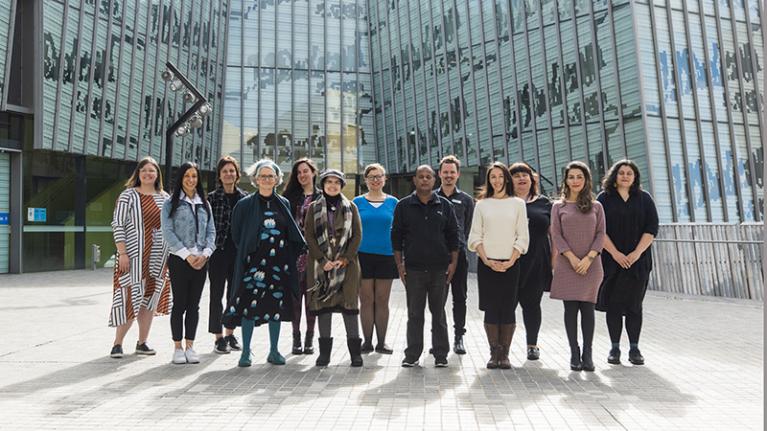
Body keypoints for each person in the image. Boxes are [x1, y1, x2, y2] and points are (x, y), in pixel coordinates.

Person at [222, 159, 305, 367]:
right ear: (256, 179)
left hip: (277, 264)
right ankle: (246, 352)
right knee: (249, 308)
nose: (267, 179)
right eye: (263, 176)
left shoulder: (283, 203)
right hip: (253, 265)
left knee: (275, 307)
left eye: (270, 176)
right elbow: (237, 234)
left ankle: (274, 351)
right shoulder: (244, 204)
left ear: (277, 179)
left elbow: (289, 232)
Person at [392, 165, 459, 368]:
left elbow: (453, 237)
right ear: (414, 180)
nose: (424, 180)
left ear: (434, 180)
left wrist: (453, 263)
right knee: (414, 314)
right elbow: (396, 238)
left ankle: (440, 354)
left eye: (428, 176)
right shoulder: (403, 206)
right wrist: (399, 264)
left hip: (440, 269)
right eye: (420, 177)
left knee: (438, 313)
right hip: (413, 269)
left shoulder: (445, 206)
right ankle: (412, 354)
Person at [596, 160, 658, 366]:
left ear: (635, 177)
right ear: (614, 176)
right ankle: (614, 348)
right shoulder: (604, 199)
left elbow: (651, 229)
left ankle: (634, 348)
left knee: (634, 306)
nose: (625, 176)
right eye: (621, 173)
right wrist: (615, 254)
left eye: (629, 173)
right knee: (613, 306)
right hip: (612, 261)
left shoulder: (644, 198)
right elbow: (599, 230)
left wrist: (636, 253)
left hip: (638, 262)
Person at [467, 162, 529, 369]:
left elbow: (522, 236)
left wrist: (511, 260)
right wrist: (486, 260)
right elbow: (475, 236)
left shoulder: (518, 203)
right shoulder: (482, 204)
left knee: (508, 308)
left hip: (511, 264)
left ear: (506, 179)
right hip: (488, 264)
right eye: (493, 177)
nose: (497, 180)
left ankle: (505, 354)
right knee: (491, 309)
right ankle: (494, 353)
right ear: (488, 180)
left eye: (500, 176)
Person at [109, 157, 172, 358]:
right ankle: (117, 344)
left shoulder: (165, 198)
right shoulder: (128, 195)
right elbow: (117, 224)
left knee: (149, 299)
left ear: (157, 175)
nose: (147, 174)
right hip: (133, 257)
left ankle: (142, 342)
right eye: (144, 170)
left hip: (158, 257)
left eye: (151, 171)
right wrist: (122, 253)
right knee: (129, 297)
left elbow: (170, 228)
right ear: (138, 174)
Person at [549, 161, 606, 372]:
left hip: (591, 265)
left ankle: (588, 354)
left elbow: (601, 233)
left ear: (586, 180)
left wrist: (589, 258)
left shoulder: (597, 206)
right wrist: (572, 258)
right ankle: (574, 353)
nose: (575, 181)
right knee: (570, 310)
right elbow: (556, 234)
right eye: (571, 177)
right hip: (567, 264)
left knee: (588, 310)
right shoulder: (558, 207)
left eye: (579, 177)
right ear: (566, 180)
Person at [304, 169, 364, 367]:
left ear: (341, 185)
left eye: (336, 182)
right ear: (323, 185)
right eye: (328, 182)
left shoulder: (351, 207)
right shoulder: (313, 207)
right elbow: (309, 236)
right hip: (321, 267)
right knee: (323, 307)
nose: (332, 185)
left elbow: (357, 236)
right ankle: (324, 355)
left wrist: (345, 258)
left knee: (350, 307)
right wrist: (323, 260)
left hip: (347, 267)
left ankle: (355, 354)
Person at [161, 162, 217, 365]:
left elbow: (211, 232)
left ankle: (190, 346)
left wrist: (206, 254)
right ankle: (177, 347)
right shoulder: (171, 203)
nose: (191, 180)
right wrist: (187, 255)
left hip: (202, 261)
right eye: (187, 176)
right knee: (179, 304)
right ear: (181, 179)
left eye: (194, 176)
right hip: (179, 260)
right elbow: (167, 232)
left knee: (194, 306)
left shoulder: (205, 203)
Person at [353, 163, 399, 355]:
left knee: (381, 300)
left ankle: (382, 342)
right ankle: (367, 342)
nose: (375, 180)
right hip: (362, 256)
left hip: (386, 256)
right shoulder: (357, 202)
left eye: (379, 176)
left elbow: (399, 230)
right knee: (366, 299)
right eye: (371, 177)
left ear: (385, 179)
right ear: (366, 180)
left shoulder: (393, 203)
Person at [509, 162, 553, 361]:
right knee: (507, 305)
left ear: (532, 179)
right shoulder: (505, 202)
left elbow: (554, 235)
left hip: (537, 261)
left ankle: (532, 345)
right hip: (510, 261)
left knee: (532, 305)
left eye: (524, 175)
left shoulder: (544, 203)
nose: (521, 178)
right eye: (516, 175)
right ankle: (503, 346)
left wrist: (554, 261)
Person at [207, 156, 247, 354]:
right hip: (217, 252)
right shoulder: (212, 198)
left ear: (237, 174)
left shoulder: (245, 198)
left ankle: (230, 333)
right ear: (220, 176)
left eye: (232, 171)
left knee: (234, 294)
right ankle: (218, 337)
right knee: (216, 294)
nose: (229, 174)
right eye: (225, 171)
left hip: (238, 254)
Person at [436, 155, 474, 355]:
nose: (449, 175)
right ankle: (438, 339)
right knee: (437, 299)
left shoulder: (467, 200)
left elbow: (468, 229)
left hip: (459, 257)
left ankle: (459, 337)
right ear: (439, 173)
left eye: (452, 172)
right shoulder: (432, 197)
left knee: (460, 298)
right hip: (436, 258)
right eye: (445, 172)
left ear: (458, 174)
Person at [283, 158, 321, 355]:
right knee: (296, 299)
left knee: (312, 299)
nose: (302, 175)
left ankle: (309, 339)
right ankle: (296, 338)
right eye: (298, 173)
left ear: (313, 172)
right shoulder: (290, 197)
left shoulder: (322, 197)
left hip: (315, 256)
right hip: (294, 255)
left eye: (305, 171)